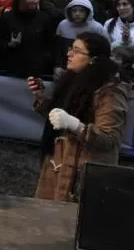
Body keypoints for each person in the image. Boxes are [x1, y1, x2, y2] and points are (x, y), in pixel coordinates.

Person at [27, 33, 128, 202]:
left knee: (75, 222)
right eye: (70, 48)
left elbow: (109, 140)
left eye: (77, 50)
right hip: (59, 163)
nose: (69, 54)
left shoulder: (111, 90)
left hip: (84, 171)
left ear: (93, 59)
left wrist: (76, 126)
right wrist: (40, 96)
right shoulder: (73, 79)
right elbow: (59, 116)